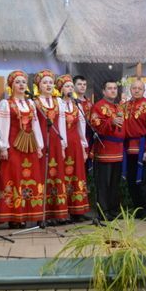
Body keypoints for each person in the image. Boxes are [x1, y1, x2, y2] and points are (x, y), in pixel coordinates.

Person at [0, 70, 45, 227]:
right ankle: (15, 217)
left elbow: (35, 125)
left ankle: (29, 213)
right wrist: (2, 147)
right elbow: (1, 127)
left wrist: (39, 145)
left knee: (30, 178)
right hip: (13, 146)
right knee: (14, 177)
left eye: (23, 82)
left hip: (30, 146)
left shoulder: (31, 104)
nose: (21, 84)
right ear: (11, 85)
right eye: (17, 82)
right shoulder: (6, 103)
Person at [122, 78, 146, 218]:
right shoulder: (124, 106)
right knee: (131, 180)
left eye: (139, 88)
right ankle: (137, 209)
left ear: (144, 90)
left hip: (143, 148)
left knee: (144, 181)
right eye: (134, 88)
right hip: (128, 149)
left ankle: (145, 209)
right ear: (130, 90)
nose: (136, 90)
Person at [34, 69, 69, 223]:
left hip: (55, 140)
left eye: (50, 82)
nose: (48, 85)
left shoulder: (58, 102)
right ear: (38, 85)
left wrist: (63, 144)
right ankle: (43, 215)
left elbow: (62, 124)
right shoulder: (34, 102)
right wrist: (38, 145)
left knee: (57, 174)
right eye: (44, 83)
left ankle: (58, 213)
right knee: (43, 175)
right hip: (42, 140)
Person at [90, 79, 125, 221]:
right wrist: (111, 122)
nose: (113, 90)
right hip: (104, 150)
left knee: (115, 184)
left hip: (118, 151)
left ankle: (113, 210)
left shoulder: (119, 107)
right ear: (103, 91)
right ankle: (103, 212)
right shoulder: (98, 106)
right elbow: (95, 124)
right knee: (103, 184)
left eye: (115, 88)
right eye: (109, 88)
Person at [56, 74, 90, 221]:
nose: (69, 89)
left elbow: (81, 128)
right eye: (67, 86)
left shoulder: (77, 105)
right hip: (63, 144)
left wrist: (83, 147)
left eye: (71, 86)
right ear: (61, 89)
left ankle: (77, 211)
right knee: (63, 175)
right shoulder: (58, 104)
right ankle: (62, 212)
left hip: (75, 144)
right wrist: (61, 145)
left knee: (77, 175)